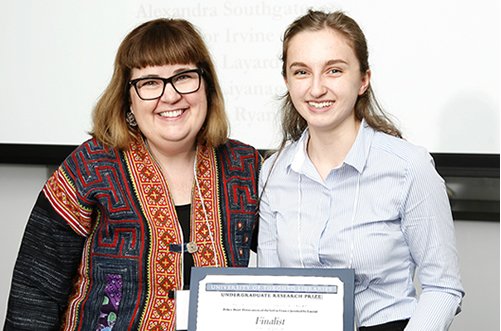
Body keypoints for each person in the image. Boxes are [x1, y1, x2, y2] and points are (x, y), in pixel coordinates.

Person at [5, 18, 261, 330]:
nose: (170, 97)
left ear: (206, 85)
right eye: (150, 82)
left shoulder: (244, 166)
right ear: (129, 98)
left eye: (184, 77)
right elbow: (35, 291)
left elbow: (292, 257)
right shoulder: (89, 167)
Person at [257, 9, 464, 331]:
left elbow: (443, 288)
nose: (316, 89)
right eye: (301, 72)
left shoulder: (410, 166)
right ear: (287, 80)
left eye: (334, 71)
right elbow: (272, 289)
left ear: (363, 79)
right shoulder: (272, 172)